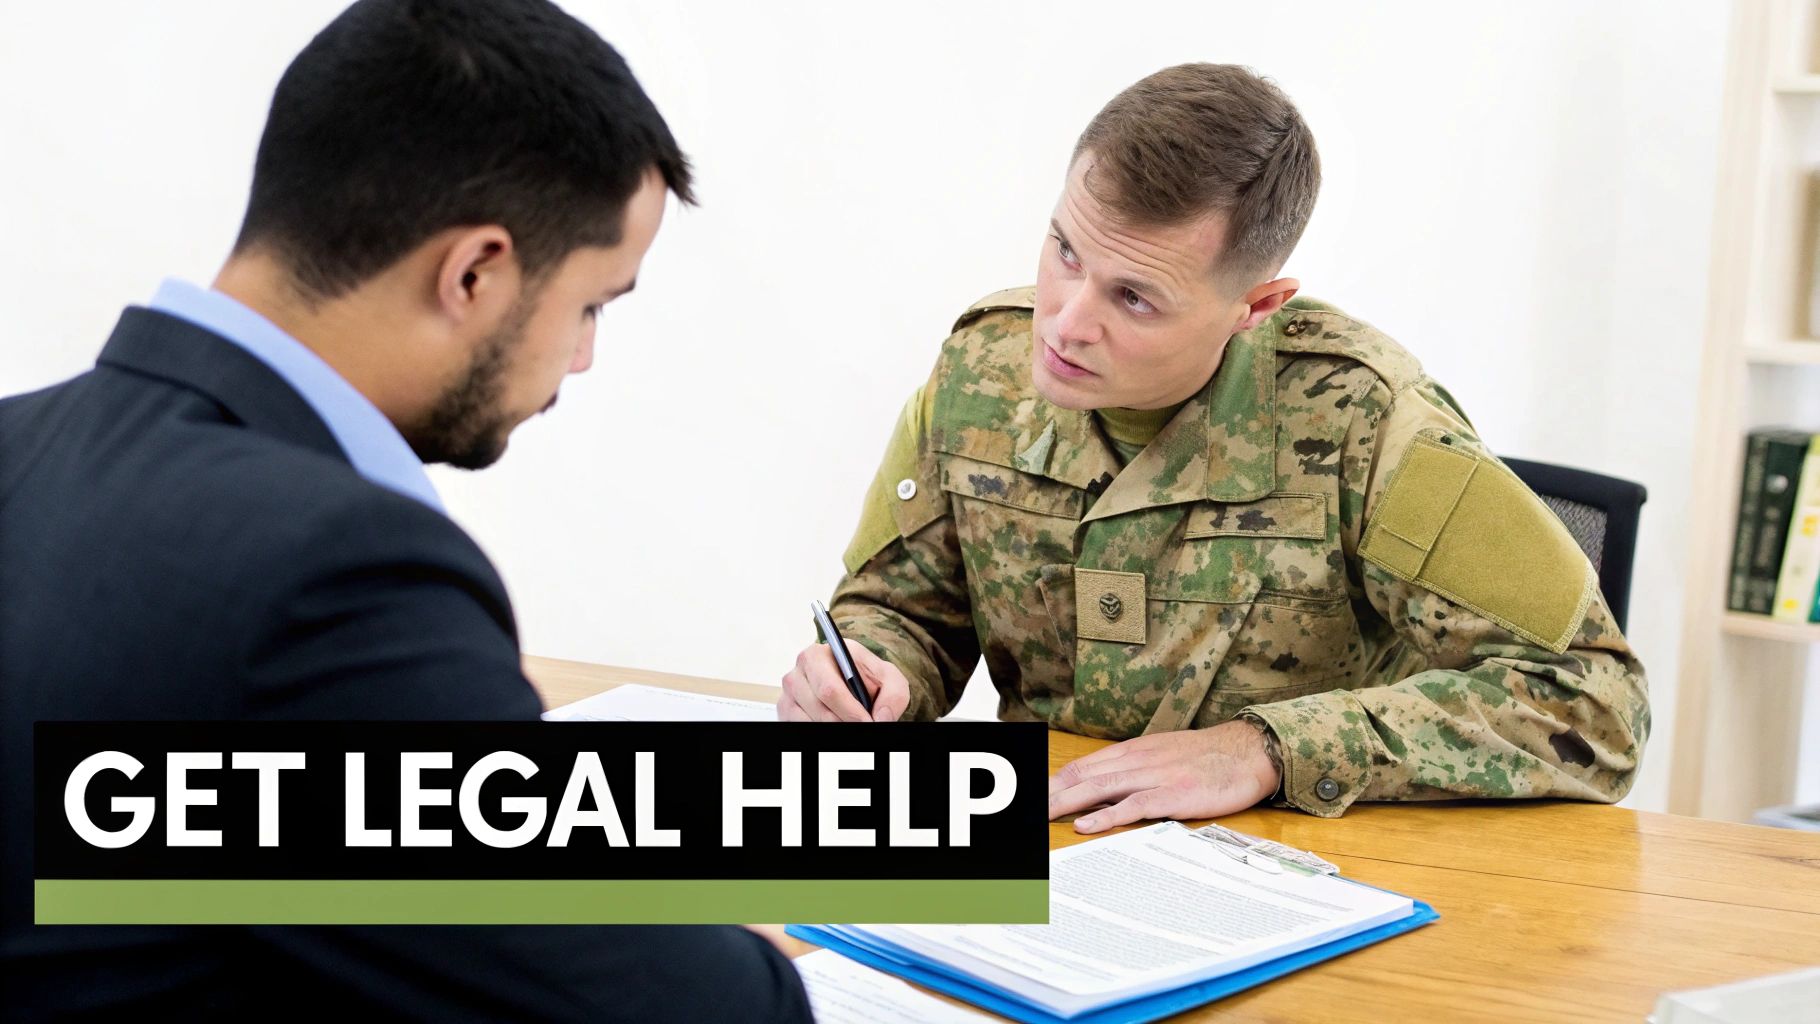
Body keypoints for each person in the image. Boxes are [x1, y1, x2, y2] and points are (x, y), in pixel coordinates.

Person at [0, 1, 809, 1019]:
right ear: (474, 272)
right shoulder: (334, 574)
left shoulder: (15, 444)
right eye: (593, 303)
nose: (582, 355)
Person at [780, 64, 1649, 834]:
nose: (1067, 323)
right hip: (1041, 859)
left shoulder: (1367, 421)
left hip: (1291, 872)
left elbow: (1597, 706)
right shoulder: (981, 369)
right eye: (1065, 251)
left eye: (1135, 298)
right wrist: (869, 677)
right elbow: (901, 612)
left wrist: (1267, 750)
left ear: (1257, 306)